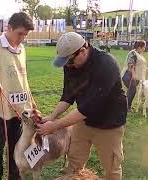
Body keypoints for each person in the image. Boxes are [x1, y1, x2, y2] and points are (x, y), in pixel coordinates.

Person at [36, 32, 127, 180]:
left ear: (83, 51)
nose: (68, 66)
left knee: (111, 169)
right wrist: (51, 117)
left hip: (109, 124)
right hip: (83, 121)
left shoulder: (106, 64)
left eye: (69, 62)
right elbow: (68, 95)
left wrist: (55, 126)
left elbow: (89, 107)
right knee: (74, 164)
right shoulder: (71, 65)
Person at [0, 12, 36, 180]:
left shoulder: (22, 49)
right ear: (9, 28)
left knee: (16, 145)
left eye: (25, 35)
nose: (22, 38)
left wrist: (31, 102)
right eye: (20, 33)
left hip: (19, 106)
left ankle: (14, 176)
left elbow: (23, 78)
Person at [121, 40, 148, 112]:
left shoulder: (140, 54)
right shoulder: (133, 53)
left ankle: (127, 106)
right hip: (128, 75)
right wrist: (133, 74)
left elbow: (142, 67)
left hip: (134, 76)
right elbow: (130, 64)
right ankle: (126, 108)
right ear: (139, 47)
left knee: (131, 91)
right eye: (144, 47)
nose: (145, 48)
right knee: (132, 90)